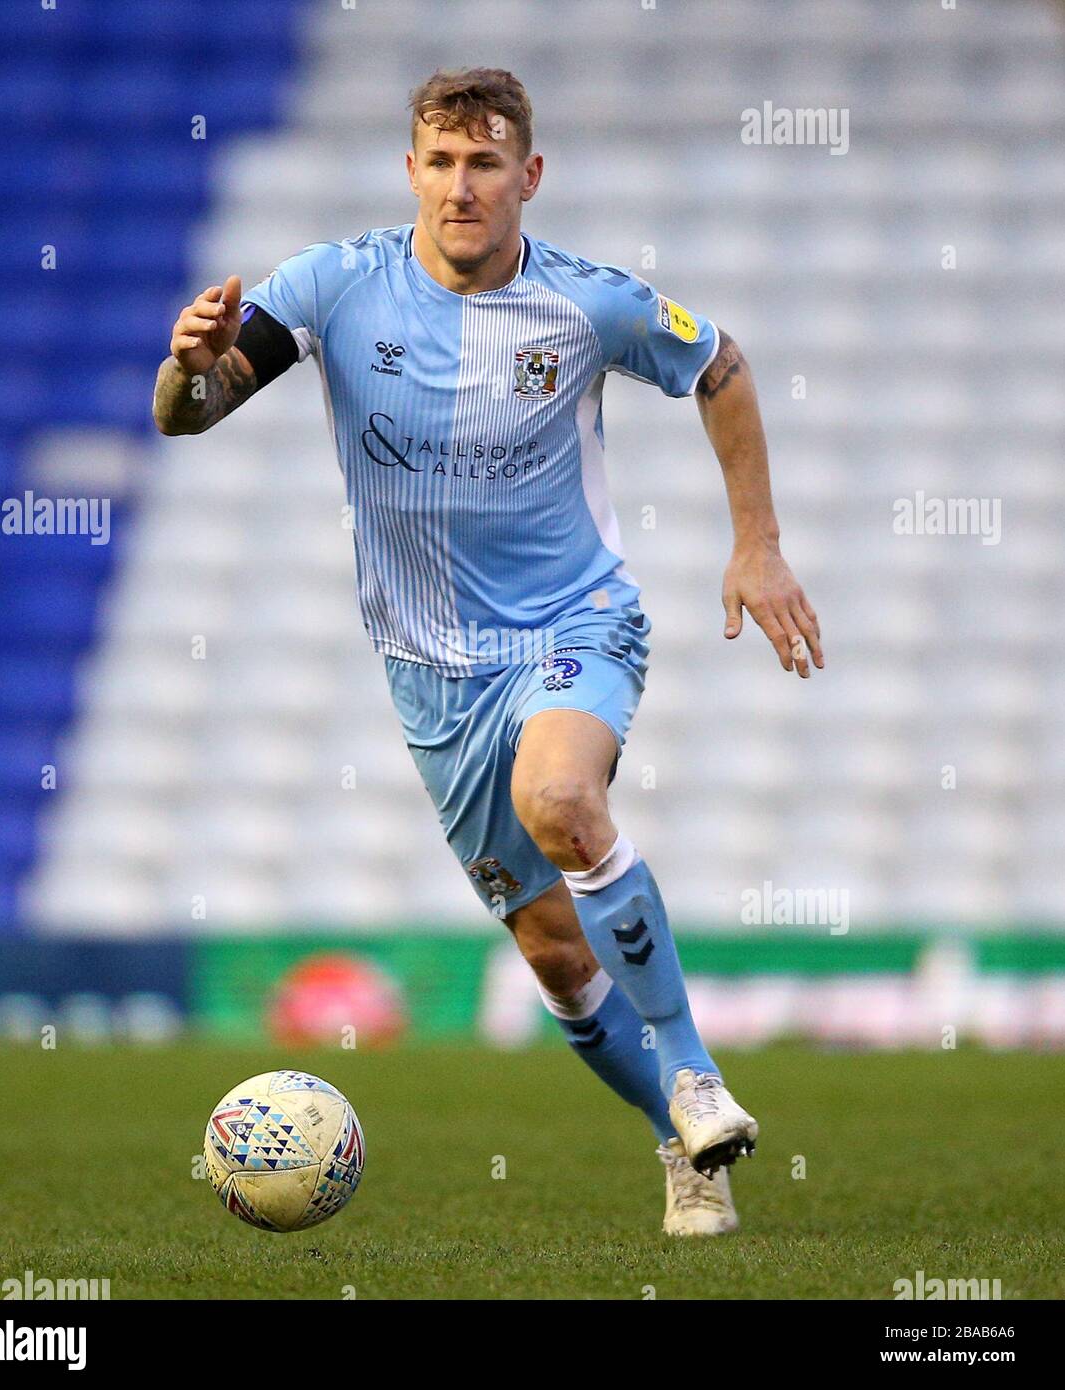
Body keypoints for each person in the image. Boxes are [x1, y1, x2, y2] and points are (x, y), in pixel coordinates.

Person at [153, 67, 823, 1236]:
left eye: (485, 162)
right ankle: (686, 1144)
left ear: (529, 175)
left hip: (573, 624)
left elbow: (719, 365)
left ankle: (691, 1065)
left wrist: (755, 546)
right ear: (409, 170)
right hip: (429, 672)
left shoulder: (585, 301)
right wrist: (186, 361)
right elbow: (189, 413)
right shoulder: (333, 287)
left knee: (561, 793)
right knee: (561, 964)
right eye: (441, 161)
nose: (462, 185)